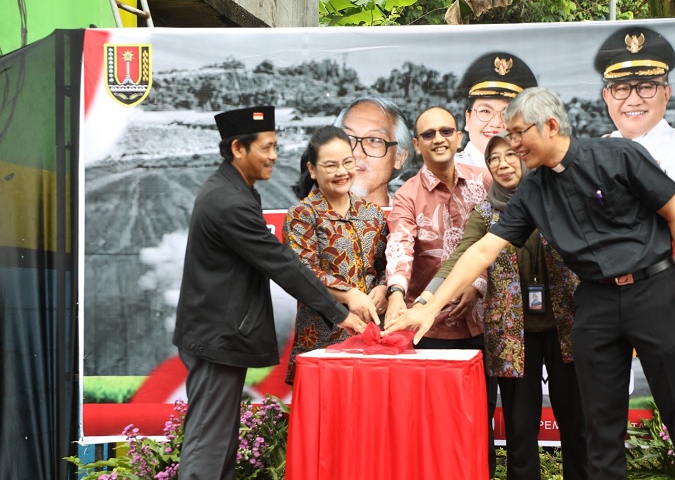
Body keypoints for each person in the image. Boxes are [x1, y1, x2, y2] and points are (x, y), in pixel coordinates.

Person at [386, 88, 675, 480]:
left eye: (517, 133)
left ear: (551, 126)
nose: (511, 144)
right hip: (595, 303)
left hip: (653, 290)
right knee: (600, 425)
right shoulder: (532, 191)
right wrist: (431, 304)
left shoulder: (618, 156)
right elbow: (480, 251)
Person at [172, 107, 368, 480]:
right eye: (267, 147)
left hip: (216, 333)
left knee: (219, 444)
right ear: (238, 149)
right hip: (216, 335)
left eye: (276, 146)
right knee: (208, 449)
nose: (275, 156)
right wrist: (340, 311)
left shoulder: (233, 190)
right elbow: (282, 263)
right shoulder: (227, 202)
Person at [416, 133, 588, 479]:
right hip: (512, 334)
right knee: (519, 428)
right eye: (494, 159)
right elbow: (462, 257)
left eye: (510, 155)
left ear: (525, 157)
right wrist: (426, 300)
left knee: (576, 422)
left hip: (566, 326)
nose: (503, 164)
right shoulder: (485, 213)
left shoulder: (558, 200)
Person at [384, 105, 495, 474]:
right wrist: (397, 294)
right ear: (417, 144)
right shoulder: (407, 196)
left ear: (459, 137)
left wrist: (477, 287)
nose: (439, 140)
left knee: (480, 423)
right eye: (428, 134)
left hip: (483, 325)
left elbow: (501, 245)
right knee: (431, 430)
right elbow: (400, 245)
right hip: (429, 331)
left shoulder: (487, 182)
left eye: (446, 131)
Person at [284, 125, 389, 383]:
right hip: (323, 339)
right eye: (331, 166)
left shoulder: (372, 213)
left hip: (373, 337)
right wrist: (350, 294)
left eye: (347, 162)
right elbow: (301, 271)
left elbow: (386, 263)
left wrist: (385, 288)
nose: (341, 172)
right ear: (312, 169)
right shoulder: (302, 214)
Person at [596, 26, 675, 208]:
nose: (634, 100)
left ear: (666, 94)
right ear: (606, 97)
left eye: (646, 87)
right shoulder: (595, 152)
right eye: (621, 89)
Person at [456, 52, 538, 168]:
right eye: (485, 111)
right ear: (468, 119)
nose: (496, 123)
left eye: (507, 113)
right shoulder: (445, 173)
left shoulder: (538, 176)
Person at [334, 96, 413, 207]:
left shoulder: (416, 221)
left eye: (373, 140)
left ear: (399, 157)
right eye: (348, 138)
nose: (356, 152)